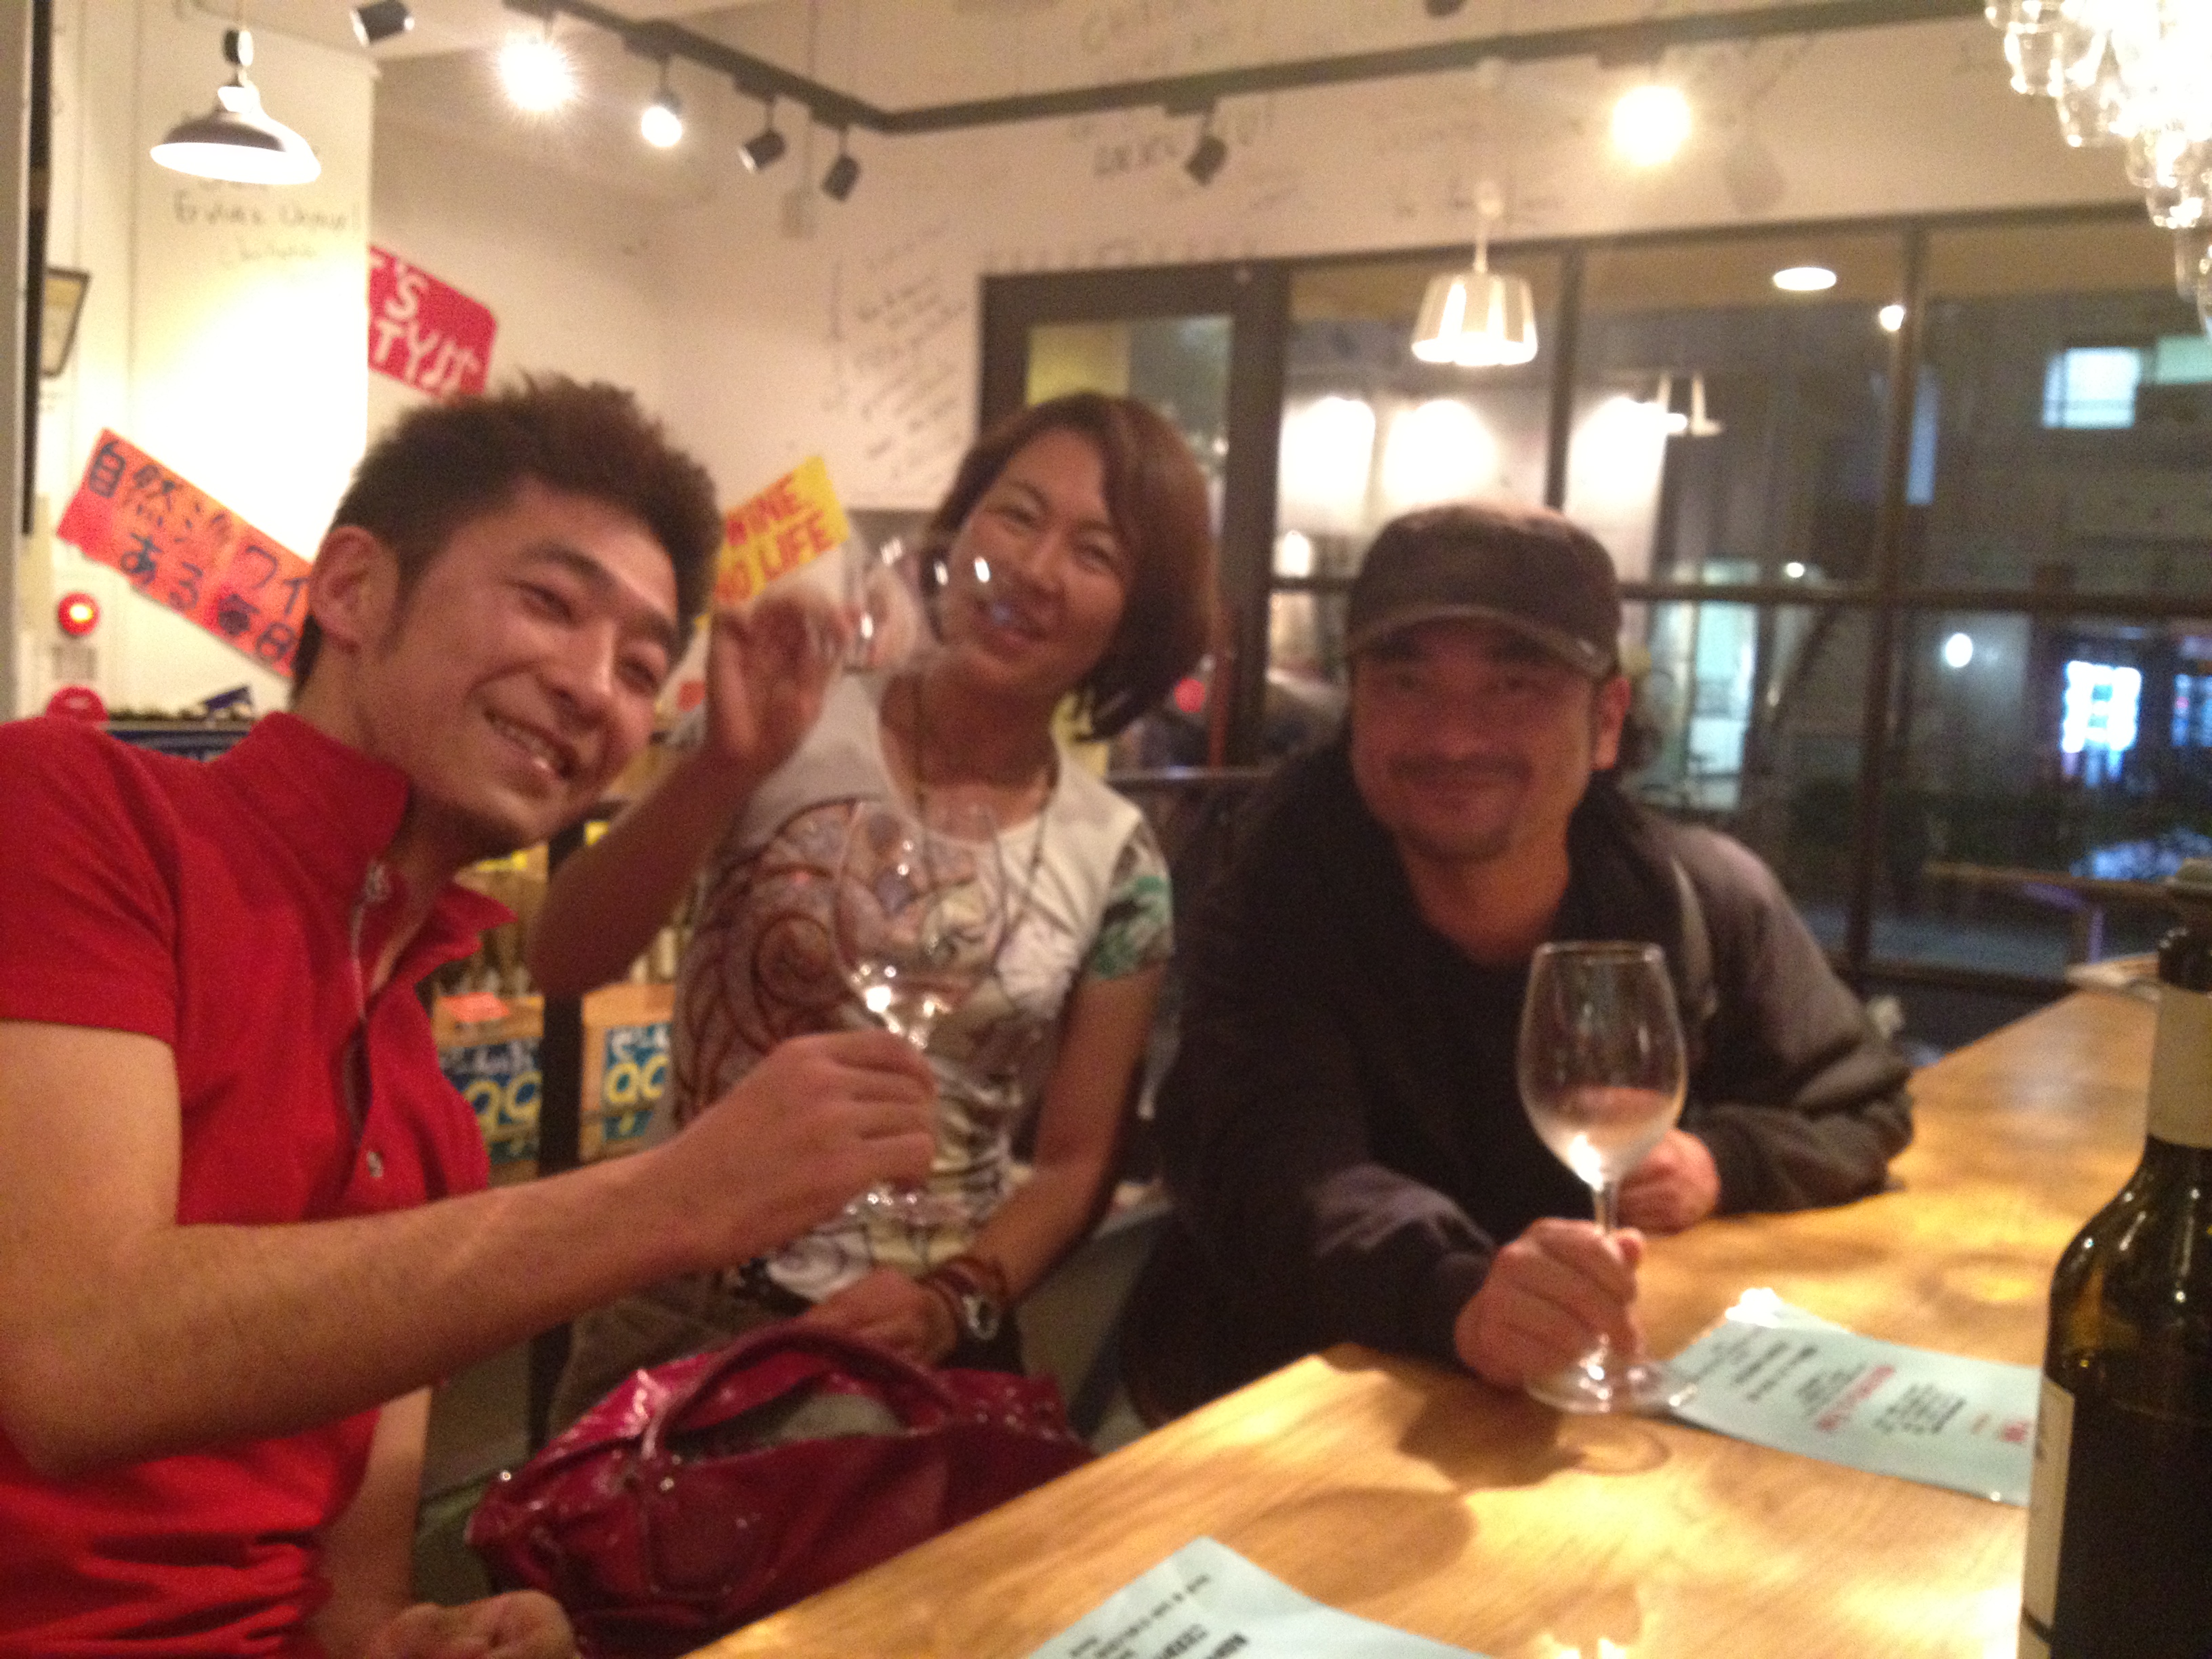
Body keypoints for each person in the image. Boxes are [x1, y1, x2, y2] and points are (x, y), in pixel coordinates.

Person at [0, 378, 937, 1658]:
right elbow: (73, 1356)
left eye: (642, 667)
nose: (594, 688)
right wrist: (674, 1198)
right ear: (353, 591)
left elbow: (350, 1602)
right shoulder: (76, 811)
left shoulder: (426, 1113)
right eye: (549, 602)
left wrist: (441, 1634)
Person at [1122, 500, 1914, 1418]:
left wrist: (1721, 1161)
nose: (1454, 738)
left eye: (1514, 685)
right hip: (1298, 1414)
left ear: (1606, 719)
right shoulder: (1277, 896)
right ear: (1356, 705)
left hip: (1590, 1406)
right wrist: (1461, 1291)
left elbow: (1858, 1102)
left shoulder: (1696, 897)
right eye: (1406, 683)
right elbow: (1279, 1173)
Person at [528, 391, 1216, 1425]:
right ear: (961, 526)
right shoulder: (791, 718)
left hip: (917, 1354)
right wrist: (723, 766)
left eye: (1095, 553)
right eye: (1017, 515)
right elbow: (563, 957)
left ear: (1138, 614)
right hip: (682, 1304)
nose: (1034, 569)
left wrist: (951, 1302)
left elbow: (1077, 1165)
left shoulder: (1119, 864)